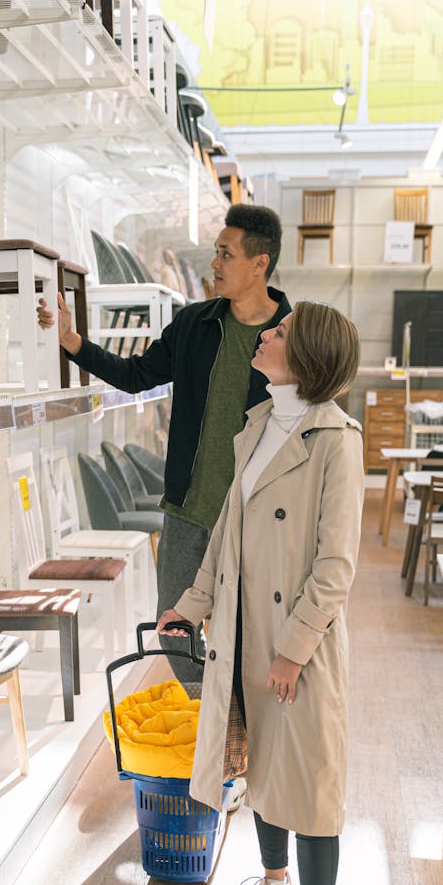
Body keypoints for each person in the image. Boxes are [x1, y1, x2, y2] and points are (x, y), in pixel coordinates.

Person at [157, 300, 363, 885]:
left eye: (276, 333)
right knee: (263, 772)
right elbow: (225, 536)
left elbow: (336, 568)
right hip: (242, 635)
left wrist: (293, 649)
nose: (264, 335)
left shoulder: (337, 440)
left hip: (296, 649)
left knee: (312, 789)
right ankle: (275, 883)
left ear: (304, 356)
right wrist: (191, 600)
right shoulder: (254, 426)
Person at [36, 205, 291, 686]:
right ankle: (201, 711)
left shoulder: (292, 335)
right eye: (216, 253)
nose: (214, 265)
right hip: (188, 511)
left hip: (257, 516)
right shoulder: (194, 324)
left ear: (260, 263)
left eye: (225, 254)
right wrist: (72, 341)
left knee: (253, 630)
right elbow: (136, 377)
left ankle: (241, 726)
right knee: (174, 625)